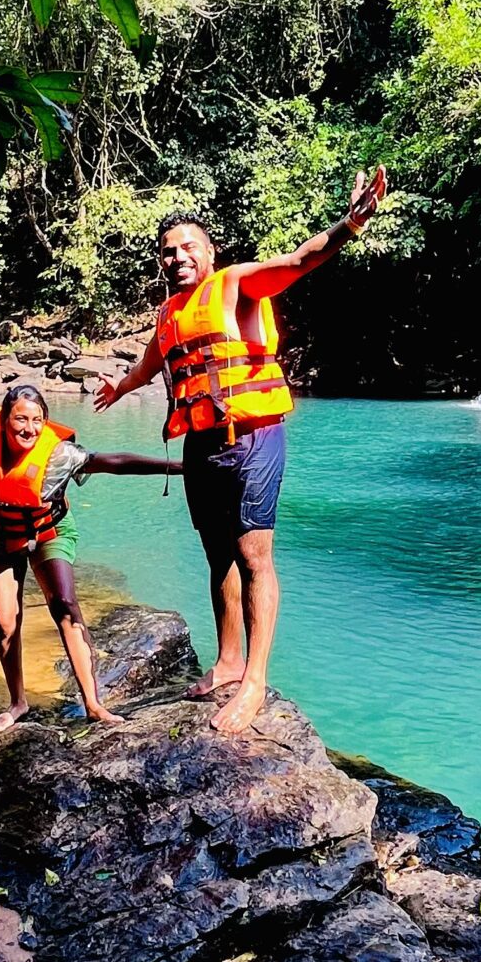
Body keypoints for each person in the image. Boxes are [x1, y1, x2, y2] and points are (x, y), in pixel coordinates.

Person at [95, 167, 388, 736]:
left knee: (254, 557)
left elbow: (298, 262)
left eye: (187, 247)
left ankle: (254, 679)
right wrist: (122, 388)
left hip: (252, 439)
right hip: (203, 443)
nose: (176, 257)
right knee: (217, 559)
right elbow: (153, 363)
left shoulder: (235, 284)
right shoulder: (169, 314)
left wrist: (349, 225)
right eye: (166, 252)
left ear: (210, 251)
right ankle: (228, 662)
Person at [0, 301, 183, 731]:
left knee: (63, 602)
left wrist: (176, 466)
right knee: (6, 622)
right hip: (2, 535)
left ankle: (94, 703)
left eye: (36, 421)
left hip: (49, 531)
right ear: (4, 419)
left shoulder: (59, 454)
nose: (27, 429)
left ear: (45, 423)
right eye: (19, 420)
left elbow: (113, 461)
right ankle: (18, 701)